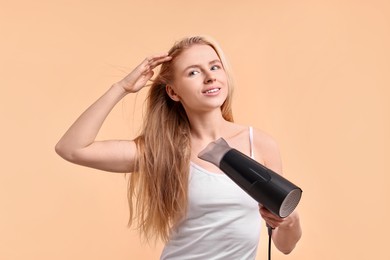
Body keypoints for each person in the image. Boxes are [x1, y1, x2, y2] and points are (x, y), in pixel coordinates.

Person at [55, 35, 302, 259]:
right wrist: (121, 88)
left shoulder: (259, 144)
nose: (210, 76)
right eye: (194, 72)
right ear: (173, 92)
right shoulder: (162, 150)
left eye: (215, 66)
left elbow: (284, 245)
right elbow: (72, 148)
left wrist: (289, 221)